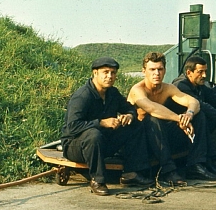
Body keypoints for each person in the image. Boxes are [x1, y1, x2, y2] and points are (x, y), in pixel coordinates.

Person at [60, 57, 153, 196]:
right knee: (93, 134)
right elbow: (72, 127)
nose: (110, 76)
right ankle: (98, 181)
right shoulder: (82, 96)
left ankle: (131, 174)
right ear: (95, 73)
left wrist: (129, 116)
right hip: (75, 146)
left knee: (134, 125)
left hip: (102, 143)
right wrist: (102, 122)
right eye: (106, 72)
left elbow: (130, 108)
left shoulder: (112, 93)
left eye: (113, 73)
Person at [127, 52, 216, 184]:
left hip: (162, 137)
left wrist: (189, 115)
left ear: (164, 71)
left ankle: (196, 165)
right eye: (152, 69)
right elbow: (153, 109)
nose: (156, 73)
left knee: (199, 116)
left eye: (160, 69)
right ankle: (168, 171)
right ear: (144, 71)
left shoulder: (168, 88)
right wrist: (179, 119)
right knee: (153, 119)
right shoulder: (138, 90)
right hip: (142, 140)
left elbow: (194, 102)